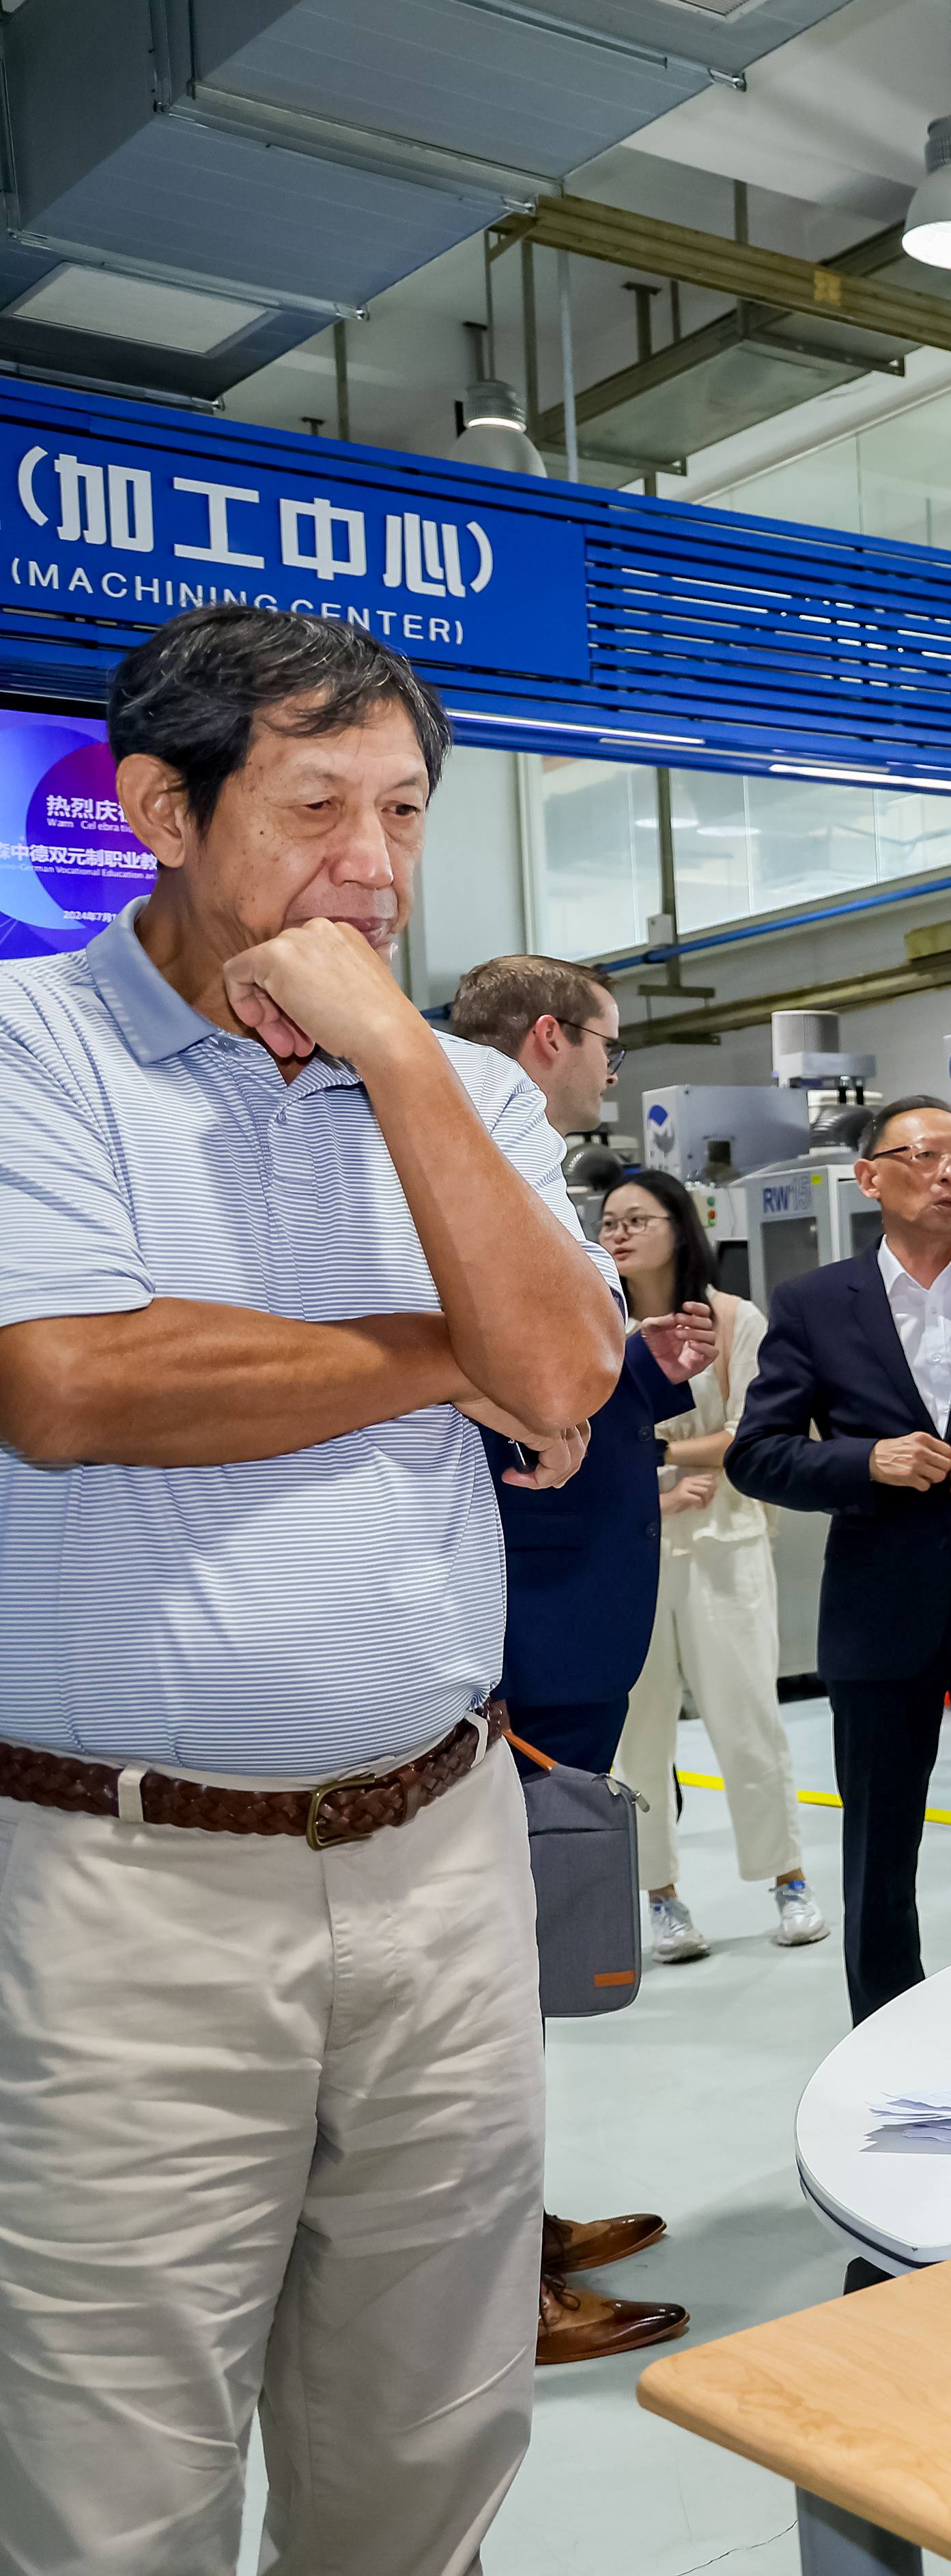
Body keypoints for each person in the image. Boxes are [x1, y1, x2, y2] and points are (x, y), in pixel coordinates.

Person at [0, 607, 622, 2571]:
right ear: (161, 810)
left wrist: (395, 1060)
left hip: (441, 1866)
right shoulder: (35, 1056)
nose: (373, 863)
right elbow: (73, 1383)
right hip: (125, 1897)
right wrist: (447, 1349)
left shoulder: (463, 1086)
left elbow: (576, 1374)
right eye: (319, 807)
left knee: (423, 2446)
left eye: (409, 812)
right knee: (116, 2480)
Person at [444, 957, 715, 2366]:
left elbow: (561, 1383)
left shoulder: (534, 1180)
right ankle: (501, 2283)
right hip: (521, 1642)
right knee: (492, 1970)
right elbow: (477, 1396)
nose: (615, 1068)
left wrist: (646, 1371)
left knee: (529, 1947)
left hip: (575, 1626)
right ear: (550, 1040)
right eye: (608, 1042)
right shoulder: (472, 1172)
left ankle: (520, 2224)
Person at [730, 1095, 951, 2023]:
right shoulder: (815, 1305)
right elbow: (758, 1452)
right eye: (929, 1157)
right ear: (870, 1177)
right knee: (879, 1853)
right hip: (879, 1615)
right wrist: (866, 1463)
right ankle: (885, 2043)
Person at [596, 1170, 826, 1961]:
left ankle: (787, 1878)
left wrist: (653, 1452)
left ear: (681, 1226)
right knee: (640, 1732)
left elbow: (749, 1435)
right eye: (608, 1221)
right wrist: (648, 1488)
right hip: (629, 1549)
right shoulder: (592, 1324)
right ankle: (660, 1897)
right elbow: (574, 1441)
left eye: (637, 1218)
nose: (619, 1233)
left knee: (747, 1720)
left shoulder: (733, 1320)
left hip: (725, 1544)